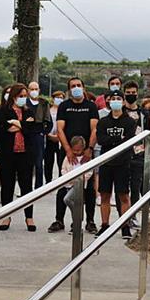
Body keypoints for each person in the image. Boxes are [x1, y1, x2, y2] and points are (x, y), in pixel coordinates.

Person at [56, 77, 99, 234]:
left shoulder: (91, 106)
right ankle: (59, 220)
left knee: (88, 189)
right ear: (69, 90)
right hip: (68, 152)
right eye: (73, 86)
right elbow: (60, 129)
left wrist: (90, 148)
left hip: (86, 152)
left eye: (78, 85)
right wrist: (68, 149)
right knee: (63, 185)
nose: (76, 88)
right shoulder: (64, 106)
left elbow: (94, 128)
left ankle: (90, 221)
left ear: (83, 87)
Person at [0, 83, 36, 232]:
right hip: (7, 154)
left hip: (25, 154)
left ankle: (29, 217)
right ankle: (6, 215)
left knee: (26, 187)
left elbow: (32, 130)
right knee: (7, 186)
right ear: (13, 96)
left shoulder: (29, 112)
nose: (23, 99)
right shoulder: (2, 111)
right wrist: (23, 125)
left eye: (25, 96)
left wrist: (18, 124)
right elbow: (3, 129)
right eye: (20, 96)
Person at [95, 90, 136, 239]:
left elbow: (129, 141)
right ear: (108, 101)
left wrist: (112, 139)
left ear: (123, 101)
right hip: (106, 162)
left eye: (119, 98)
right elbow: (101, 140)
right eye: (113, 99)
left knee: (123, 195)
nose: (116, 101)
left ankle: (125, 226)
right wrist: (118, 137)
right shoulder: (103, 121)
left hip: (123, 163)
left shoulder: (130, 122)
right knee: (104, 195)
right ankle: (105, 225)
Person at [49, 136, 92, 234]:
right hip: (69, 184)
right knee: (74, 204)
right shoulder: (68, 158)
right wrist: (69, 179)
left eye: (79, 150)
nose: (77, 152)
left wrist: (80, 180)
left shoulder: (86, 158)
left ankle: (78, 220)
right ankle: (77, 220)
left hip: (80, 185)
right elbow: (63, 169)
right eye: (75, 150)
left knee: (67, 199)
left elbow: (90, 172)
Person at [123, 81, 150, 212]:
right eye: (128, 93)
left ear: (137, 94)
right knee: (123, 188)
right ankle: (123, 214)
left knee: (136, 186)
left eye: (133, 93)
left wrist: (146, 150)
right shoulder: (121, 111)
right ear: (124, 94)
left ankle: (133, 213)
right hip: (123, 153)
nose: (131, 95)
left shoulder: (144, 113)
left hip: (138, 154)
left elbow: (148, 133)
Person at [26, 81, 52, 189]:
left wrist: (43, 133)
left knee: (39, 162)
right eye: (31, 89)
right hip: (26, 134)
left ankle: (39, 186)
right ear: (28, 90)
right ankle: (26, 187)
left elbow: (49, 122)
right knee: (27, 163)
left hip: (39, 135)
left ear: (39, 90)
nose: (34, 91)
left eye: (36, 89)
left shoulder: (44, 103)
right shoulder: (24, 103)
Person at [43, 91, 65, 183]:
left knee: (61, 161)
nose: (59, 99)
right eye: (57, 97)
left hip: (60, 139)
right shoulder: (48, 110)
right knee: (48, 162)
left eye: (61, 97)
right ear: (53, 98)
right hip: (49, 139)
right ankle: (48, 181)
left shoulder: (64, 111)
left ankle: (61, 180)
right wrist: (48, 134)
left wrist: (59, 136)